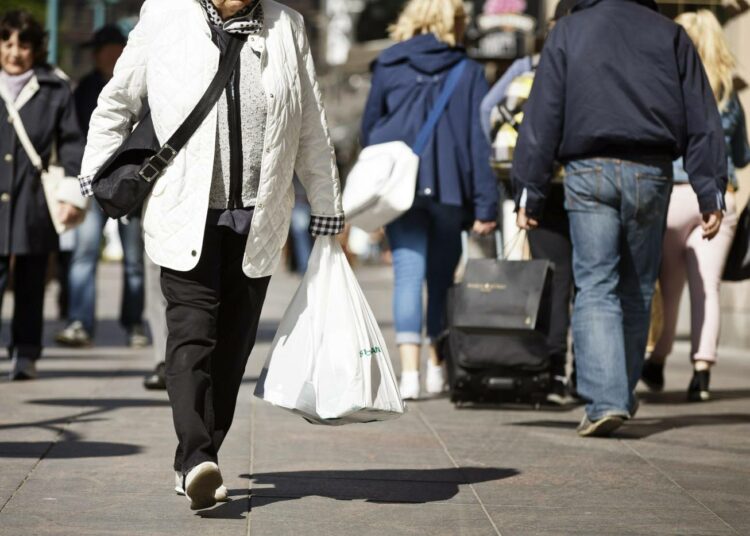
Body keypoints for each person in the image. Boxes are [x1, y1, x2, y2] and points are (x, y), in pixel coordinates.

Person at [78, 0, 344, 510]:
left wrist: (327, 202)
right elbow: (119, 100)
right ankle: (200, 457)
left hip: (259, 215)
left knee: (232, 350)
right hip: (185, 211)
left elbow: (310, 120)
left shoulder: (287, 26)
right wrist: (95, 172)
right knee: (192, 335)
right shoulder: (164, 14)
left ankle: (195, 462)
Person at [512, 0, 727, 437]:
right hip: (652, 170)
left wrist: (530, 189)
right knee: (638, 287)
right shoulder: (670, 34)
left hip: (587, 168)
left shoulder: (570, 31)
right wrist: (710, 189)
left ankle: (606, 400)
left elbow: (543, 115)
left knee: (596, 284)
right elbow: (702, 119)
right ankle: (619, 395)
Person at [361, 0, 498, 401]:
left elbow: (370, 131)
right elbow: (479, 142)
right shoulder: (469, 70)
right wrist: (485, 204)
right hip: (451, 188)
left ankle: (408, 375)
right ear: (453, 22)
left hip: (401, 189)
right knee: (440, 279)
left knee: (407, 274)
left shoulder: (388, 64)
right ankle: (437, 368)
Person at [643, 10, 750, 402]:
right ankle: (701, 374)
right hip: (718, 198)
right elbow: (741, 156)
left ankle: (657, 359)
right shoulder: (726, 94)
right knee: (708, 286)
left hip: (673, 193)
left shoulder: (667, 86)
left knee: (669, 287)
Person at [480, 0, 576, 404]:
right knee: (590, 282)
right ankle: (586, 374)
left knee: (550, 279)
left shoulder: (528, 66)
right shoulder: (593, 62)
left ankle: (551, 370)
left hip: (540, 185)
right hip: (584, 177)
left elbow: (488, 109)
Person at [0, 10, 86, 381]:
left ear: (36, 48)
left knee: (33, 279)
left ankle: (26, 353)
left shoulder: (55, 87)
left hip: (34, 195)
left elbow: (71, 145)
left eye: (23, 44)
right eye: (7, 43)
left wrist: (72, 196)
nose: (14, 52)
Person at [55, 25, 149, 349]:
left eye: (114, 46)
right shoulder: (84, 90)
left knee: (135, 260)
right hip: (92, 183)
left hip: (131, 183)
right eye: (104, 48)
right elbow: (73, 136)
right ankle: (80, 321)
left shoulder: (140, 83)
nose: (109, 53)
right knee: (84, 253)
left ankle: (135, 323)